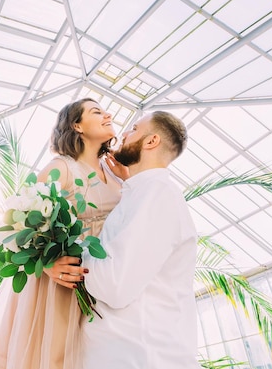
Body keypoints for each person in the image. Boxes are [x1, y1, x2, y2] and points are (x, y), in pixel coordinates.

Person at [0, 98, 125, 369]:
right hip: (61, 288)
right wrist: (49, 265)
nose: (108, 114)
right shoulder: (62, 167)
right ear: (77, 125)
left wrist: (129, 181)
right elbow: (14, 225)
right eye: (97, 111)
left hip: (103, 284)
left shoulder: (117, 174)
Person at [78, 110, 200, 369]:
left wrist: (76, 250)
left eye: (133, 129)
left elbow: (115, 285)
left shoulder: (158, 195)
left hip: (138, 355)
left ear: (151, 141)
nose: (123, 133)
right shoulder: (140, 194)